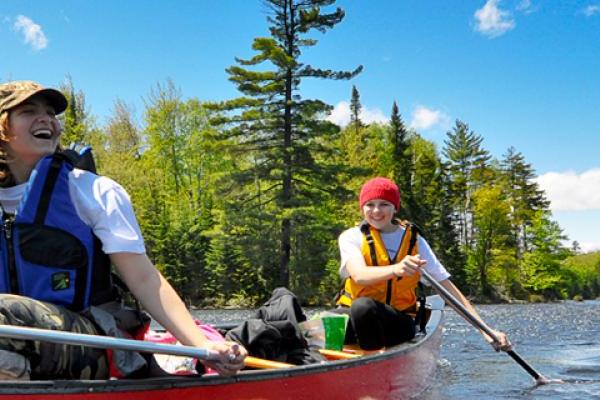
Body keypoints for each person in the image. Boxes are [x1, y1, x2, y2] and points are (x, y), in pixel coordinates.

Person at [0, 81, 246, 380]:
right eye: (28, 111)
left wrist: (201, 344)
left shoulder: (94, 191)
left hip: (94, 341)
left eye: (51, 113)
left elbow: (145, 279)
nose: (46, 119)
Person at [335, 176, 512, 352]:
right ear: (362, 208)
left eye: (384, 204)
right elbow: (359, 275)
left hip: (398, 323)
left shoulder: (415, 241)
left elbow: (446, 288)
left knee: (363, 307)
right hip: (360, 319)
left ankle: (372, 361)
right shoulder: (351, 237)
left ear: (395, 208)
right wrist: (396, 269)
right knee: (325, 321)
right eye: (370, 205)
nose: (376, 211)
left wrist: (485, 330)